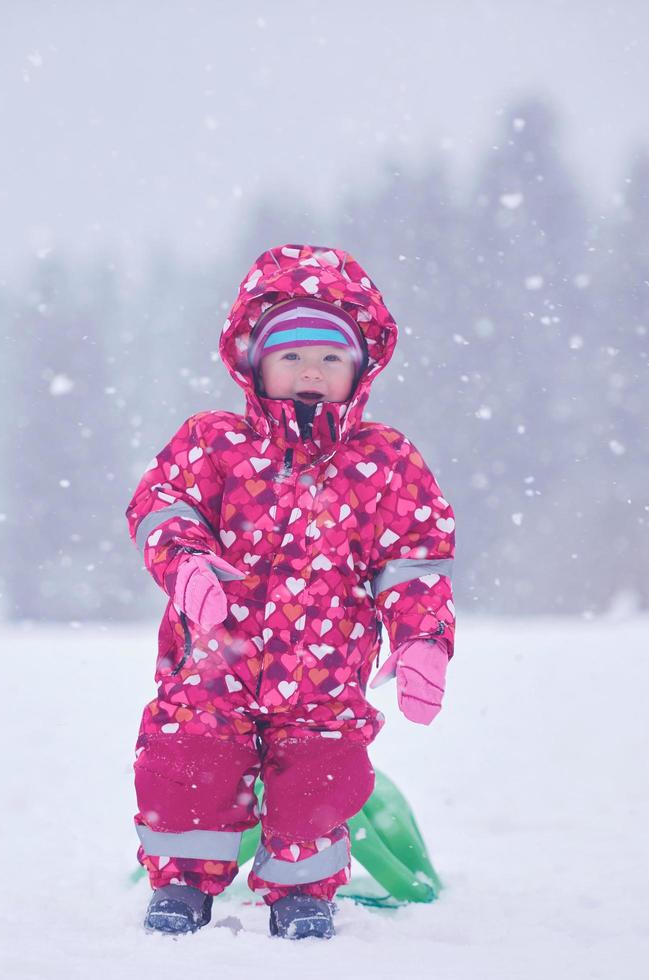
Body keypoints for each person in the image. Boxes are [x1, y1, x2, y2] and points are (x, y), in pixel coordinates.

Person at [126, 244, 456, 940]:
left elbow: (414, 562)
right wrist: (184, 563)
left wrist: (423, 640)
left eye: (331, 358)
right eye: (292, 357)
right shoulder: (214, 443)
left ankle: (301, 891)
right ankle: (183, 883)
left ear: (359, 371)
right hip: (212, 662)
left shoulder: (383, 461)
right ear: (254, 365)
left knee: (318, 779)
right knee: (187, 763)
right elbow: (162, 505)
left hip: (325, 674)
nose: (311, 371)